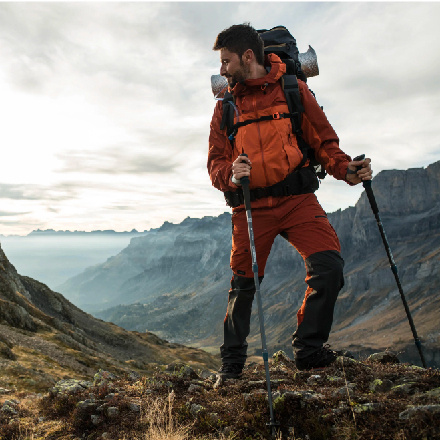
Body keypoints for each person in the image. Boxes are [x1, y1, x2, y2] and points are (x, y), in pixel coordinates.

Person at [208, 24, 372, 380]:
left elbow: (324, 143)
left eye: (226, 62)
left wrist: (347, 169)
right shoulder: (226, 107)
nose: (221, 71)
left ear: (248, 57)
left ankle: (309, 352)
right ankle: (231, 367)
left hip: (298, 200)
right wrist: (231, 175)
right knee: (243, 286)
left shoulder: (293, 90)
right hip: (250, 208)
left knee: (328, 267)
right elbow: (215, 164)